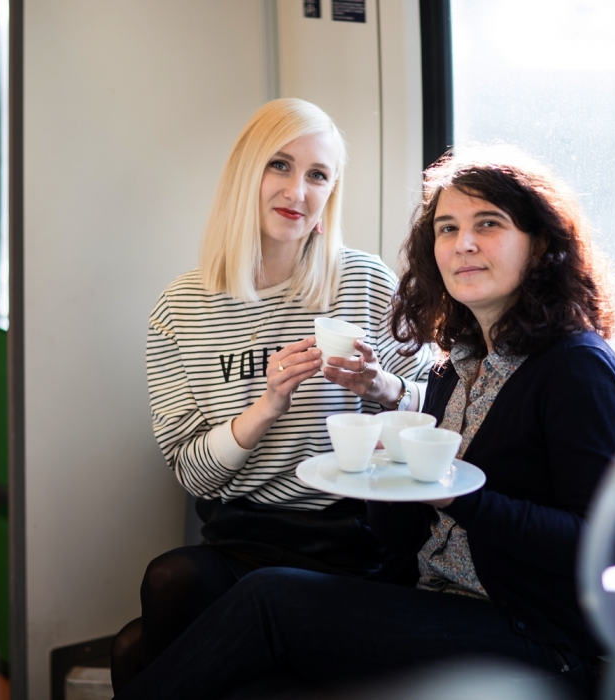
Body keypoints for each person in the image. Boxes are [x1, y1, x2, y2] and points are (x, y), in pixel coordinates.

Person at [112, 148, 615, 700]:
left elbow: (598, 548)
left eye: (489, 225)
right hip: (436, 596)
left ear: (540, 246)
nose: (463, 244)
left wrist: (453, 495)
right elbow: (403, 539)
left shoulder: (576, 368)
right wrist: (379, 475)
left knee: (269, 601)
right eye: (447, 228)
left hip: (539, 636)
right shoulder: (453, 366)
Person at [109, 98, 432, 691]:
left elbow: (437, 411)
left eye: (318, 176)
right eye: (280, 166)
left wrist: (380, 385)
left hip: (354, 532)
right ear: (245, 174)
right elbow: (192, 473)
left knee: (141, 653)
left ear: (331, 193)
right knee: (168, 582)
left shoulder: (362, 279)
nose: (298, 192)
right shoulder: (181, 309)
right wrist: (267, 406)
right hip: (244, 532)